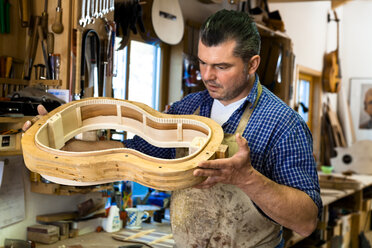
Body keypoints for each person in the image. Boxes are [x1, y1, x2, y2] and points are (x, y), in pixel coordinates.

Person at [24, 9, 321, 248]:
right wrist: (53, 143)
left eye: (222, 66)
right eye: (202, 62)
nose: (207, 75)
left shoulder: (283, 125)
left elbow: (306, 222)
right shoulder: (187, 110)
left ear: (253, 64)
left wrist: (247, 179)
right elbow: (127, 154)